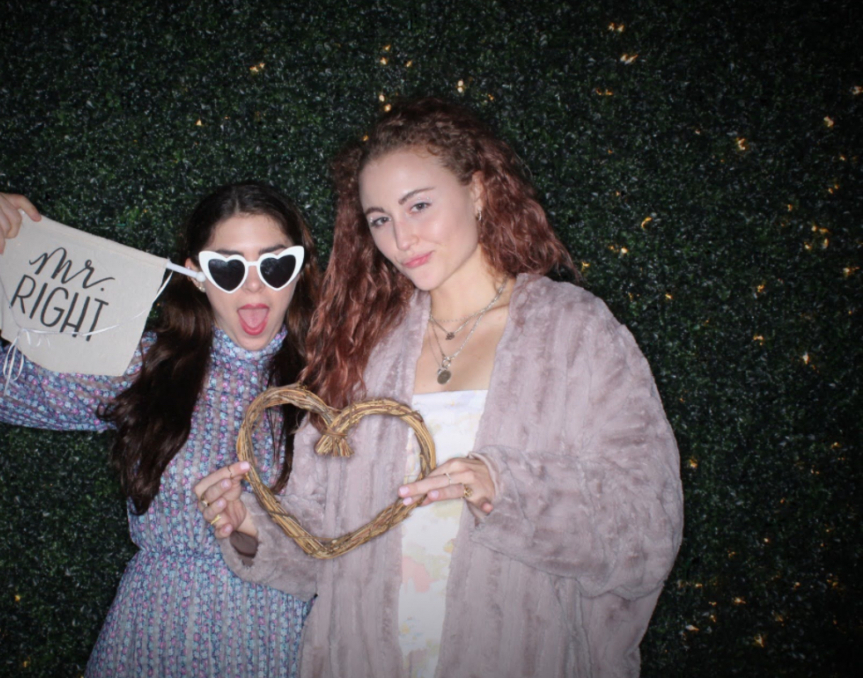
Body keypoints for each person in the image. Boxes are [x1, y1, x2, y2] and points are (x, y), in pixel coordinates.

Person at [196, 99, 684, 677]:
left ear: (477, 191)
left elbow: (647, 529)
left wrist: (508, 490)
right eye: (380, 219)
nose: (402, 238)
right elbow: (324, 542)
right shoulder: (365, 347)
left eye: (419, 206)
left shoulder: (575, 333)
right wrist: (253, 527)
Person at [0, 182, 319, 677]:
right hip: (154, 631)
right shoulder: (144, 367)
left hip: (282, 640)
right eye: (227, 268)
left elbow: (353, 546)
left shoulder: (335, 384)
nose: (253, 287)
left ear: (299, 270)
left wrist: (254, 525)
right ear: (196, 276)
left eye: (275, 265)